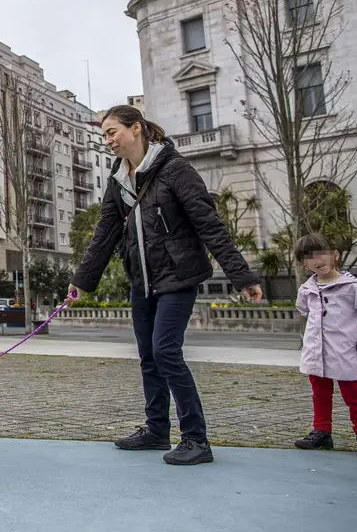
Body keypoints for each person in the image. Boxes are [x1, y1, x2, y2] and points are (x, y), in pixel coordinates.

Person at [69, 105, 263, 466]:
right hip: (141, 280)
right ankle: (157, 430)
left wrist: (242, 276)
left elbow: (210, 225)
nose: (107, 140)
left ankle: (196, 440)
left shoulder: (175, 169)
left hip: (177, 277)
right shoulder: (118, 179)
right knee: (148, 358)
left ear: (137, 128)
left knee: (166, 352)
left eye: (112, 132)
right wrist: (83, 281)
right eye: (104, 135)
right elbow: (105, 234)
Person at [290, 233, 357, 458]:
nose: (317, 260)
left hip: (344, 351)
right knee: (319, 393)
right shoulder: (306, 289)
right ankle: (322, 432)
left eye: (321, 253)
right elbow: (304, 311)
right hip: (316, 351)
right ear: (304, 263)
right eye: (309, 257)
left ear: (335, 255)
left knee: (354, 395)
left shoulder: (352, 287)